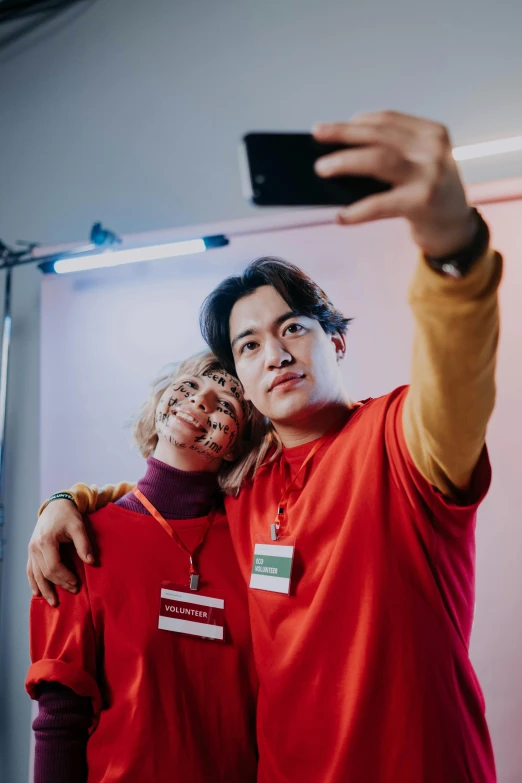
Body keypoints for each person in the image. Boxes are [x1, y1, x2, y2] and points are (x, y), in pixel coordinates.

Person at [28, 111, 502, 782]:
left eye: (293, 328)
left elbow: (457, 375)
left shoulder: (402, 440)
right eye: (248, 345)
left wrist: (454, 250)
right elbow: (169, 494)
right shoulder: (246, 491)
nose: (274, 353)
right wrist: (67, 501)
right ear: (242, 382)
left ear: (334, 340)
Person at [26, 352, 260, 783]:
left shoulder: (255, 541)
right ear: (163, 396)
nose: (204, 399)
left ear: (240, 444)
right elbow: (60, 715)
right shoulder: (78, 540)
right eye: (193, 383)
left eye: (228, 403)